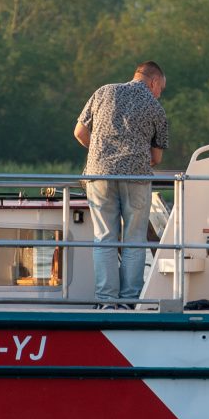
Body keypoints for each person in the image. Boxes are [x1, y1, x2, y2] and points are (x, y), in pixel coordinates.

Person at [73, 61, 170, 304]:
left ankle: (106, 301)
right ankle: (129, 301)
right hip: (136, 177)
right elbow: (156, 157)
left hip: (99, 174)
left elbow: (79, 133)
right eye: (161, 88)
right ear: (153, 82)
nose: (159, 93)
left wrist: (100, 151)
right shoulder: (155, 107)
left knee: (104, 237)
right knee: (135, 239)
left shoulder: (103, 91)